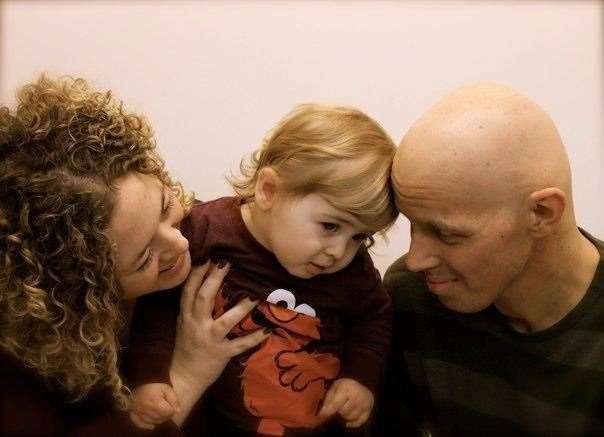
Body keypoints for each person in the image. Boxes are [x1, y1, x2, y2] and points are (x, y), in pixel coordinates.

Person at [0, 75, 269, 436]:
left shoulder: (207, 232)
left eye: (165, 206)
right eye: (144, 259)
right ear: (81, 295)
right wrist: (188, 374)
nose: (180, 244)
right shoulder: (19, 381)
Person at [126, 104, 398, 436]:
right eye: (330, 226)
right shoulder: (205, 232)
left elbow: (375, 317)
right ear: (268, 190)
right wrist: (149, 377)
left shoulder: (352, 271)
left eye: (360, 236)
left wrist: (360, 378)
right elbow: (158, 306)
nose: (339, 251)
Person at [372, 83, 604, 436]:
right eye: (413, 225)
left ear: (541, 213)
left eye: (448, 234)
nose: (417, 259)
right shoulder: (413, 296)